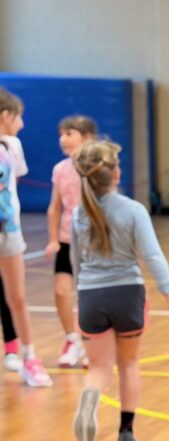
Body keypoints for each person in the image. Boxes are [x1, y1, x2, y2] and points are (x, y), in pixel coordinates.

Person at [71, 140, 169, 441]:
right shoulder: (133, 210)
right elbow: (153, 256)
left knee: (99, 369)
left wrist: (80, 296)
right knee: (129, 363)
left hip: (90, 295)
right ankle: (126, 436)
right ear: (116, 174)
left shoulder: (79, 214)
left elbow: (75, 261)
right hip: (127, 294)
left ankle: (91, 394)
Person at [0, 87, 51, 387]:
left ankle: (30, 358)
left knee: (17, 297)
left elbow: (12, 183)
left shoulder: (12, 146)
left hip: (9, 231)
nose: (22, 123)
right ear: (5, 115)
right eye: (18, 117)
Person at [46, 114, 97, 369]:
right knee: (61, 290)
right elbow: (55, 207)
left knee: (91, 295)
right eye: (61, 134)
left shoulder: (97, 167)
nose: (63, 139)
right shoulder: (60, 169)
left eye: (69, 133)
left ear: (87, 137)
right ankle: (72, 340)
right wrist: (53, 239)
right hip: (68, 240)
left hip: (93, 241)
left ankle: (94, 344)